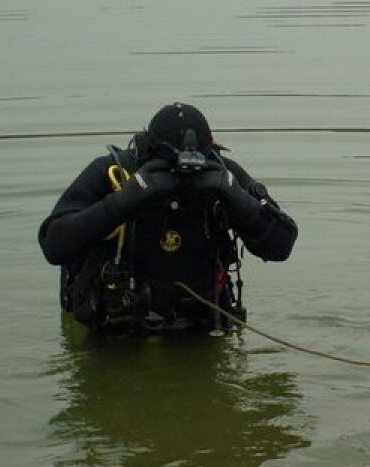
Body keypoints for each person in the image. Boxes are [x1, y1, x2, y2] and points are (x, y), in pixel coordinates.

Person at [39, 103, 297, 333]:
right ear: (148, 154)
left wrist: (235, 195)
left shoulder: (221, 175)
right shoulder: (115, 174)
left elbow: (281, 246)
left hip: (199, 332)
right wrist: (127, 198)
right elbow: (53, 245)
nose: (184, 179)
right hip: (116, 335)